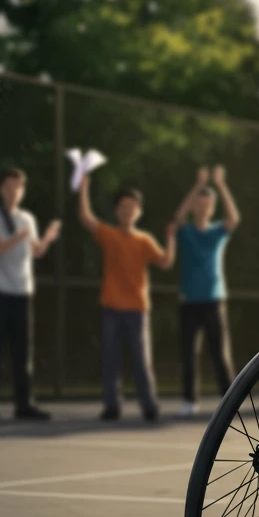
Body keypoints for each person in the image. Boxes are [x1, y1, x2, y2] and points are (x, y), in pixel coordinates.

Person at [77, 175, 175, 422]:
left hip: (137, 309)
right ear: (116, 211)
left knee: (141, 360)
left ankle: (149, 405)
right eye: (123, 207)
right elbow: (86, 218)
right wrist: (84, 186)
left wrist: (171, 237)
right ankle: (112, 406)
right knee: (111, 359)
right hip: (111, 307)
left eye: (132, 207)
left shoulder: (143, 240)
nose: (127, 211)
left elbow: (165, 262)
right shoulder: (109, 235)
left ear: (138, 211)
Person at [0, 167, 61, 423]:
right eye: (9, 186)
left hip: (23, 293)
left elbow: (35, 251)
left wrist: (46, 238)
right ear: (1, 189)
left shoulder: (28, 218)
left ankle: (24, 404)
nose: (14, 191)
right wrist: (19, 236)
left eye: (18, 187)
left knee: (23, 352)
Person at [172, 165, 240, 417]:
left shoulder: (217, 232)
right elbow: (178, 218)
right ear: (195, 206)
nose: (203, 207)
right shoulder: (186, 231)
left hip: (214, 301)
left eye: (207, 203)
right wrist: (196, 185)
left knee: (220, 354)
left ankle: (229, 399)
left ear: (212, 207)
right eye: (199, 203)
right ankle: (190, 399)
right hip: (189, 302)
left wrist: (220, 185)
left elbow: (234, 218)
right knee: (188, 354)